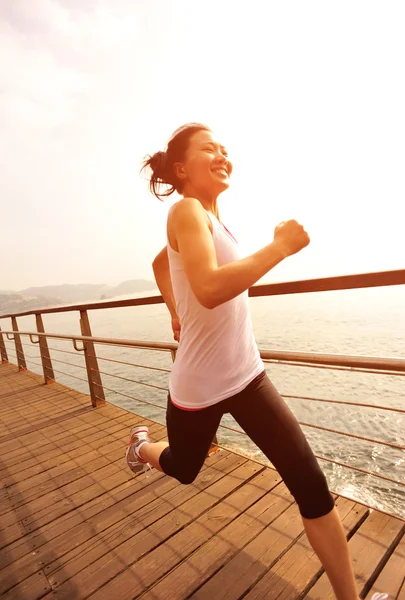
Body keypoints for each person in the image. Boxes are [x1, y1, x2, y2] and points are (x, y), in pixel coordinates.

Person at [126, 123, 387, 600]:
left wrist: (173, 312)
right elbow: (206, 289)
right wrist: (280, 248)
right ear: (182, 169)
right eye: (209, 149)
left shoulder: (210, 218)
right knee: (185, 468)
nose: (222, 154)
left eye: (225, 149)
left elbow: (162, 265)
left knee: (310, 481)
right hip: (199, 387)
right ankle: (141, 448)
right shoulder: (186, 210)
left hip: (246, 376)